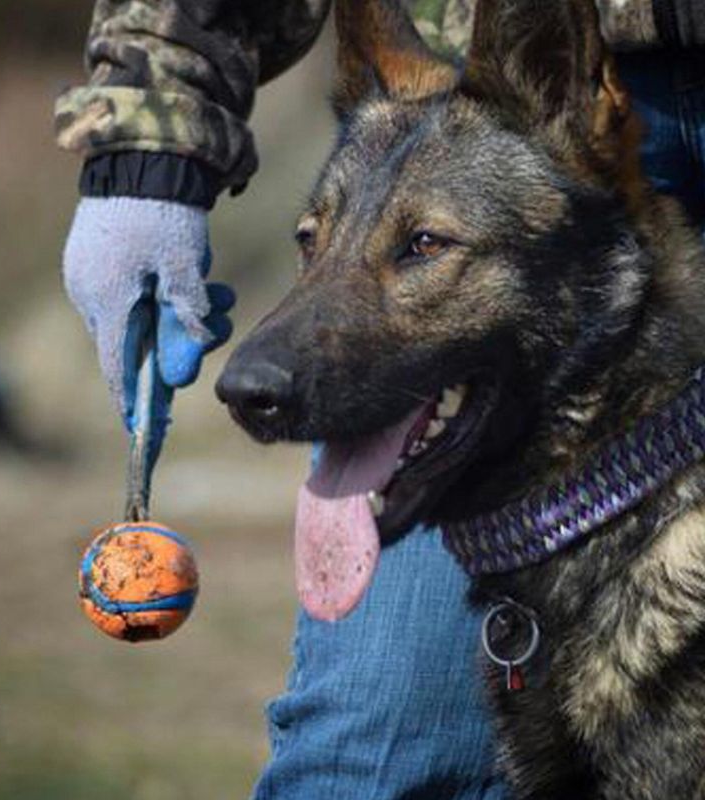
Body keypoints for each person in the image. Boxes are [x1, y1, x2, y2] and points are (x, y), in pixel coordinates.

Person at [56, 1, 705, 797]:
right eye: (313, 240)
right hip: (511, 104)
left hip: (540, 134)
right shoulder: (425, 135)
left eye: (422, 248)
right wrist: (148, 151)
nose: (263, 368)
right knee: (371, 756)